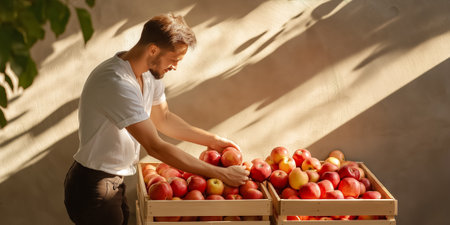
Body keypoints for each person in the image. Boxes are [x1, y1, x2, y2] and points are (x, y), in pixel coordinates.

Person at [64, 13, 249, 225]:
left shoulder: (150, 74)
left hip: (114, 180)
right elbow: (155, 146)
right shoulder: (116, 82)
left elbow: (164, 119)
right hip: (93, 184)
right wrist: (221, 174)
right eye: (174, 59)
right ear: (153, 50)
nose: (175, 67)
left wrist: (213, 141)